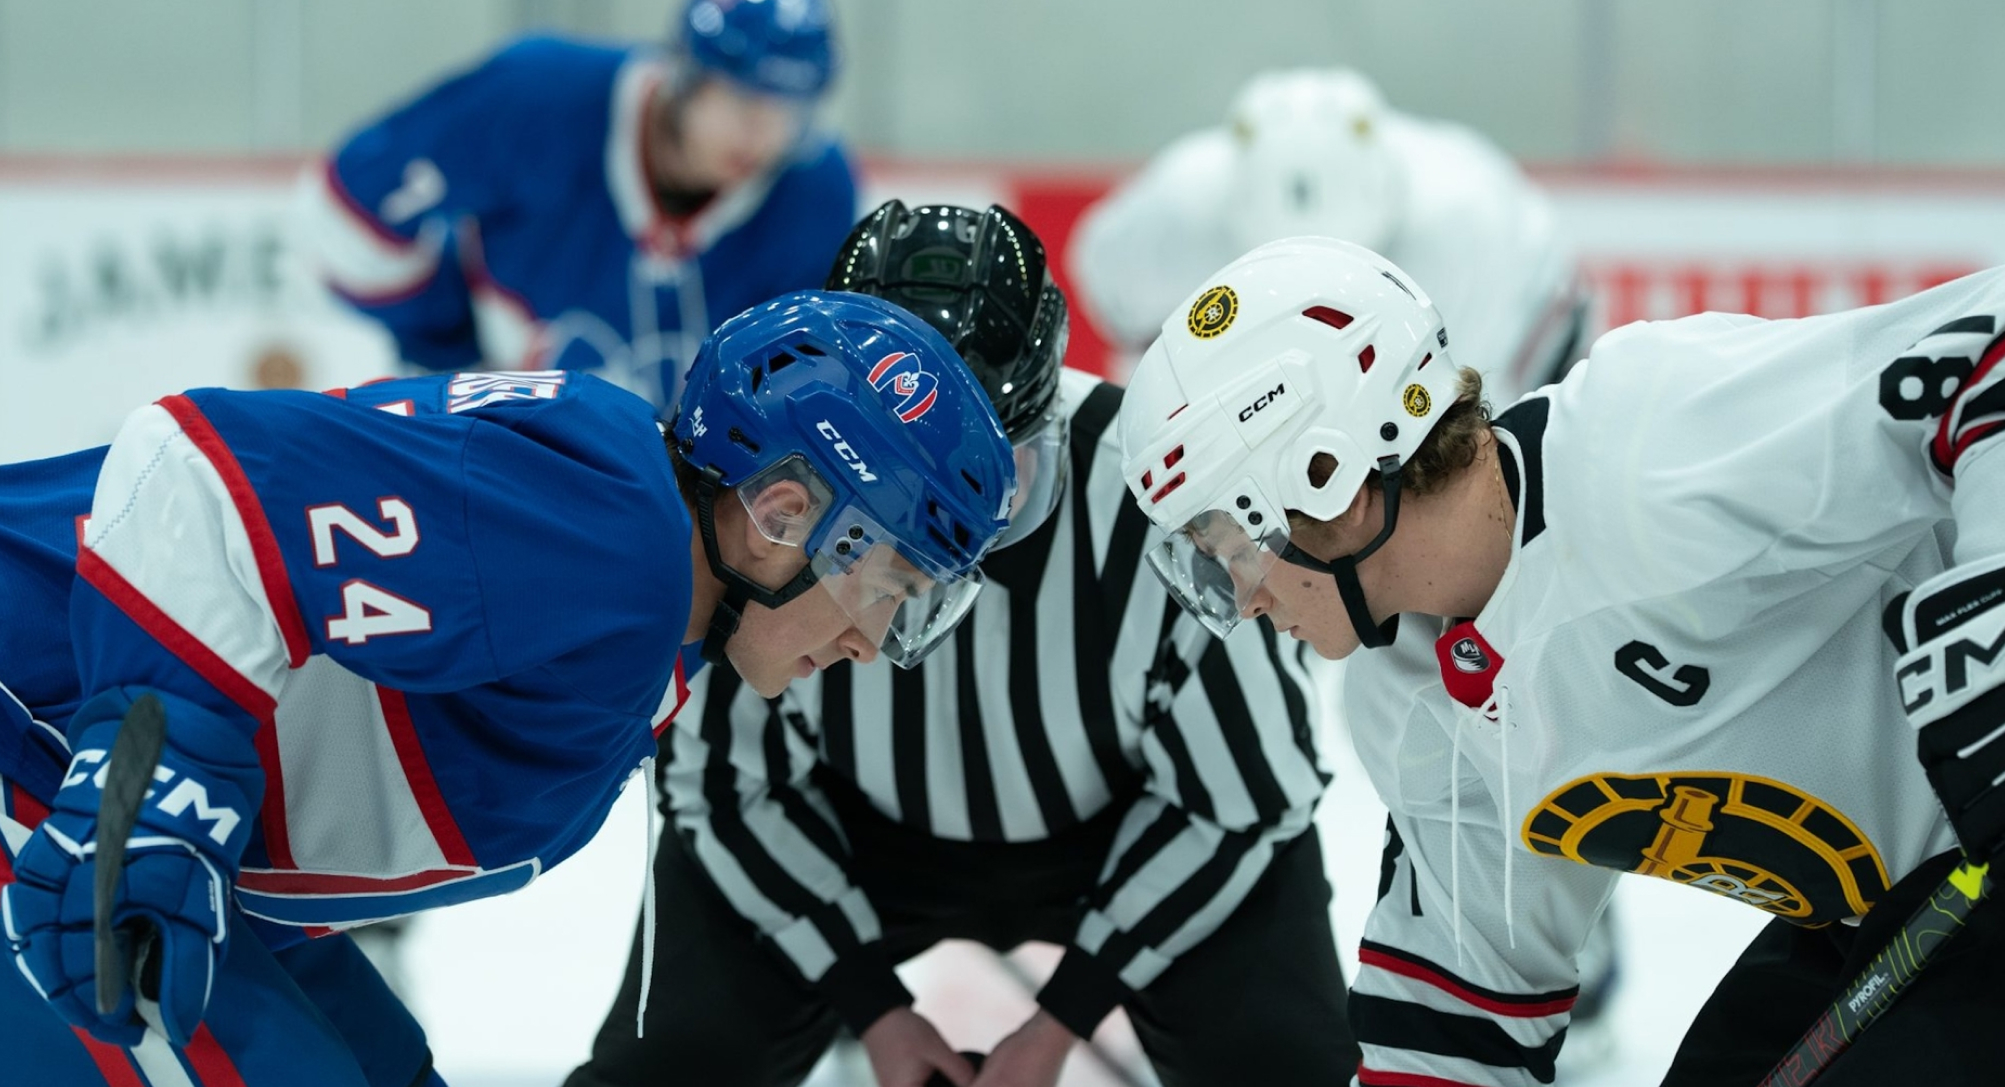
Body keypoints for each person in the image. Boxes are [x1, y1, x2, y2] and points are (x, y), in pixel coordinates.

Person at [0, 291, 1016, 1085]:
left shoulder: (651, 612)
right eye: (883, 583)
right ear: (780, 512)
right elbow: (198, 478)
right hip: (14, 735)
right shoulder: (614, 538)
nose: (872, 642)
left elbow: (308, 757)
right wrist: (147, 788)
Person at [1114, 236, 2005, 1085]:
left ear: (1327, 478)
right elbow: (1454, 1019)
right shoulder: (1412, 703)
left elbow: (1986, 349)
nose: (1244, 596)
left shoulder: (1649, 443)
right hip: (1900, 909)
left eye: (1228, 542)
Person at [565, 203, 1356, 1087]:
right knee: (669, 1067)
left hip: (1128, 830)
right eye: (908, 478)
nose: (957, 531)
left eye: (993, 469)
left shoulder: (1154, 484)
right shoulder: (767, 505)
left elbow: (1244, 791)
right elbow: (722, 781)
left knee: (1284, 1066)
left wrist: (1061, 1021)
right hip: (850, 832)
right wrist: (874, 1005)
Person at [301, 0, 854, 410]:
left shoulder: (815, 193)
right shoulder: (538, 97)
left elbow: (801, 383)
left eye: (789, 109)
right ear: (684, 74)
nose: (763, 133)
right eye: (739, 97)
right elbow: (355, 209)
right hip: (496, 443)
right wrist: (449, 351)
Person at [1071, 68, 1585, 408]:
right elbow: (1120, 320)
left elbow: (1462, 412)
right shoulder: (1174, 212)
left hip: (1541, 324)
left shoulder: (1471, 227)